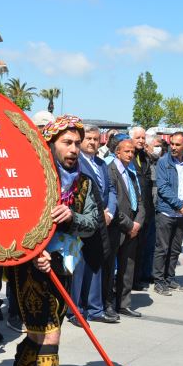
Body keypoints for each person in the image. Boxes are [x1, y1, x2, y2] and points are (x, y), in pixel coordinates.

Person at [6, 115, 100, 366]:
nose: (74, 149)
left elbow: (93, 223)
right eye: (67, 143)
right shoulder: (31, 178)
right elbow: (10, 218)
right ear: (51, 143)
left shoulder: (85, 183)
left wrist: (73, 216)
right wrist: (33, 250)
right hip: (32, 264)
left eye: (77, 143)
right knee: (49, 333)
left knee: (37, 334)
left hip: (65, 264)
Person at [71, 124, 118, 324]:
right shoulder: (76, 162)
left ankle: (95, 309)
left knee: (96, 265)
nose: (92, 142)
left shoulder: (101, 163)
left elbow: (112, 190)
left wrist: (110, 211)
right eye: (88, 138)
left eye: (95, 139)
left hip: (102, 221)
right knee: (79, 268)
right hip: (83, 222)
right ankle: (75, 311)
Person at [152, 131, 183, 296]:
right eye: (172, 144)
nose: (174, 147)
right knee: (162, 248)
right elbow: (163, 187)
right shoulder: (163, 162)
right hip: (166, 211)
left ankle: (170, 278)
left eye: (178, 145)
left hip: (182, 214)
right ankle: (159, 280)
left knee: (175, 249)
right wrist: (179, 205)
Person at [106, 138, 145, 317]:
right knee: (109, 268)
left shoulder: (132, 171)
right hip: (116, 227)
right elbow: (111, 203)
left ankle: (124, 303)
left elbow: (140, 200)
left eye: (132, 152)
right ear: (117, 152)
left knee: (128, 267)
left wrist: (137, 223)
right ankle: (107, 303)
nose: (130, 154)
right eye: (126, 151)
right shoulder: (110, 171)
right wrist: (129, 225)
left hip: (133, 228)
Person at [129, 127, 156, 290]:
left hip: (147, 209)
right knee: (131, 250)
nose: (141, 140)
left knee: (142, 247)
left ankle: (138, 278)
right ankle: (129, 281)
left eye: (143, 138)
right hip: (133, 211)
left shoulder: (145, 157)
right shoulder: (127, 156)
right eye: (138, 137)